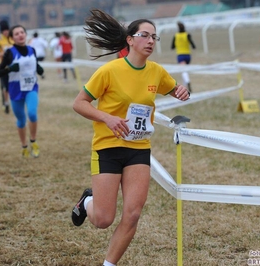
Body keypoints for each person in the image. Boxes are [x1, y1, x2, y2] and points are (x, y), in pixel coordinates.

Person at [71, 9, 190, 266]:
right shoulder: (110, 71)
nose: (150, 41)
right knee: (103, 219)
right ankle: (87, 201)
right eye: (144, 35)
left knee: (133, 215)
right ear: (130, 40)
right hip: (108, 147)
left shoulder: (156, 72)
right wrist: (107, 118)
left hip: (138, 148)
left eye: (154, 37)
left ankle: (109, 264)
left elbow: (175, 89)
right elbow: (79, 103)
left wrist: (181, 91)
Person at [0, 25, 44, 158]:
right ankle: (24, 146)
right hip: (15, 90)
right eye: (16, 34)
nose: (20, 35)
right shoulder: (9, 53)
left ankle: (33, 142)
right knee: (21, 120)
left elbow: (34, 65)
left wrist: (39, 68)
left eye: (22, 32)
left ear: (26, 34)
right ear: (12, 38)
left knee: (32, 114)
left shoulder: (32, 50)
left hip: (31, 88)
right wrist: (9, 69)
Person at [0, 20, 14, 113]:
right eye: (4, 31)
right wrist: (3, 53)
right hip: (3, 66)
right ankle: (6, 103)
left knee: (13, 85)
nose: (6, 32)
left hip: (13, 66)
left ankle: (13, 102)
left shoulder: (12, 38)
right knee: (5, 87)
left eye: (7, 30)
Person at [171, 21, 196, 92]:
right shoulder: (187, 35)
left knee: (183, 71)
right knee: (185, 71)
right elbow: (193, 45)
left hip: (180, 55)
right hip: (188, 55)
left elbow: (172, 47)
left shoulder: (176, 36)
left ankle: (187, 82)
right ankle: (185, 88)